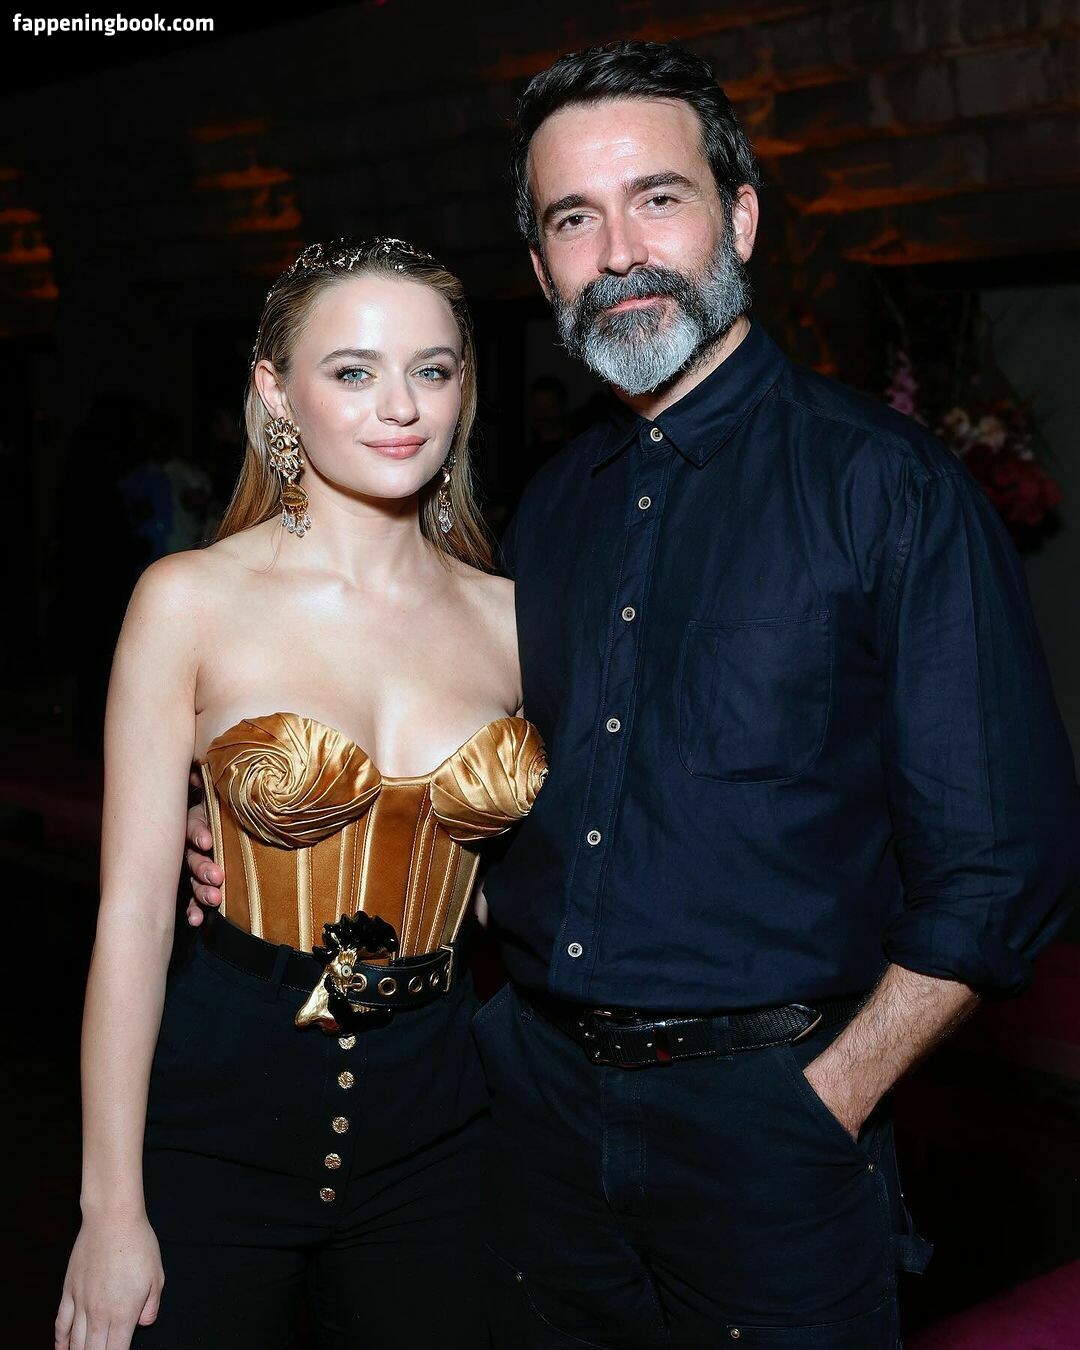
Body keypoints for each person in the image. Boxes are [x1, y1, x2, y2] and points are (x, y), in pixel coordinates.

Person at [181, 43, 1080, 1350]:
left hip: (771, 1127)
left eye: (658, 199)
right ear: (542, 265)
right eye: (573, 219)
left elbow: (1003, 867)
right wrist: (269, 845)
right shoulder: (551, 511)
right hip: (530, 1115)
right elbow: (487, 791)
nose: (618, 251)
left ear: (741, 218)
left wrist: (823, 1100)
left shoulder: (886, 489)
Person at [55, 235, 546, 1350]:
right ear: (275, 391)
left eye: (432, 369)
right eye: (353, 370)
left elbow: (520, 884)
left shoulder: (515, 619)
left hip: (443, 1124)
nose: (401, 406)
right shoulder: (187, 601)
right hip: (217, 1117)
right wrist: (109, 1208)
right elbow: (131, 919)